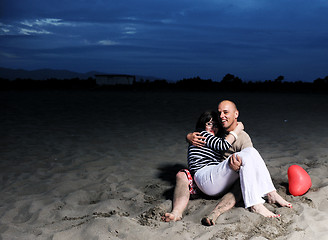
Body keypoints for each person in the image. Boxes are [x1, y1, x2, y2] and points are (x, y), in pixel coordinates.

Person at [163, 100, 292, 225]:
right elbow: (223, 145)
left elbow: (253, 164)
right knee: (247, 154)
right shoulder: (204, 135)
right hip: (207, 177)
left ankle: (270, 194)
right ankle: (256, 203)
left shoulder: (240, 137)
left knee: (250, 153)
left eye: (215, 124)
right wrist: (189, 136)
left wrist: (237, 167)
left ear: (235, 114)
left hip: (221, 180)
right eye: (209, 124)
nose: (213, 127)